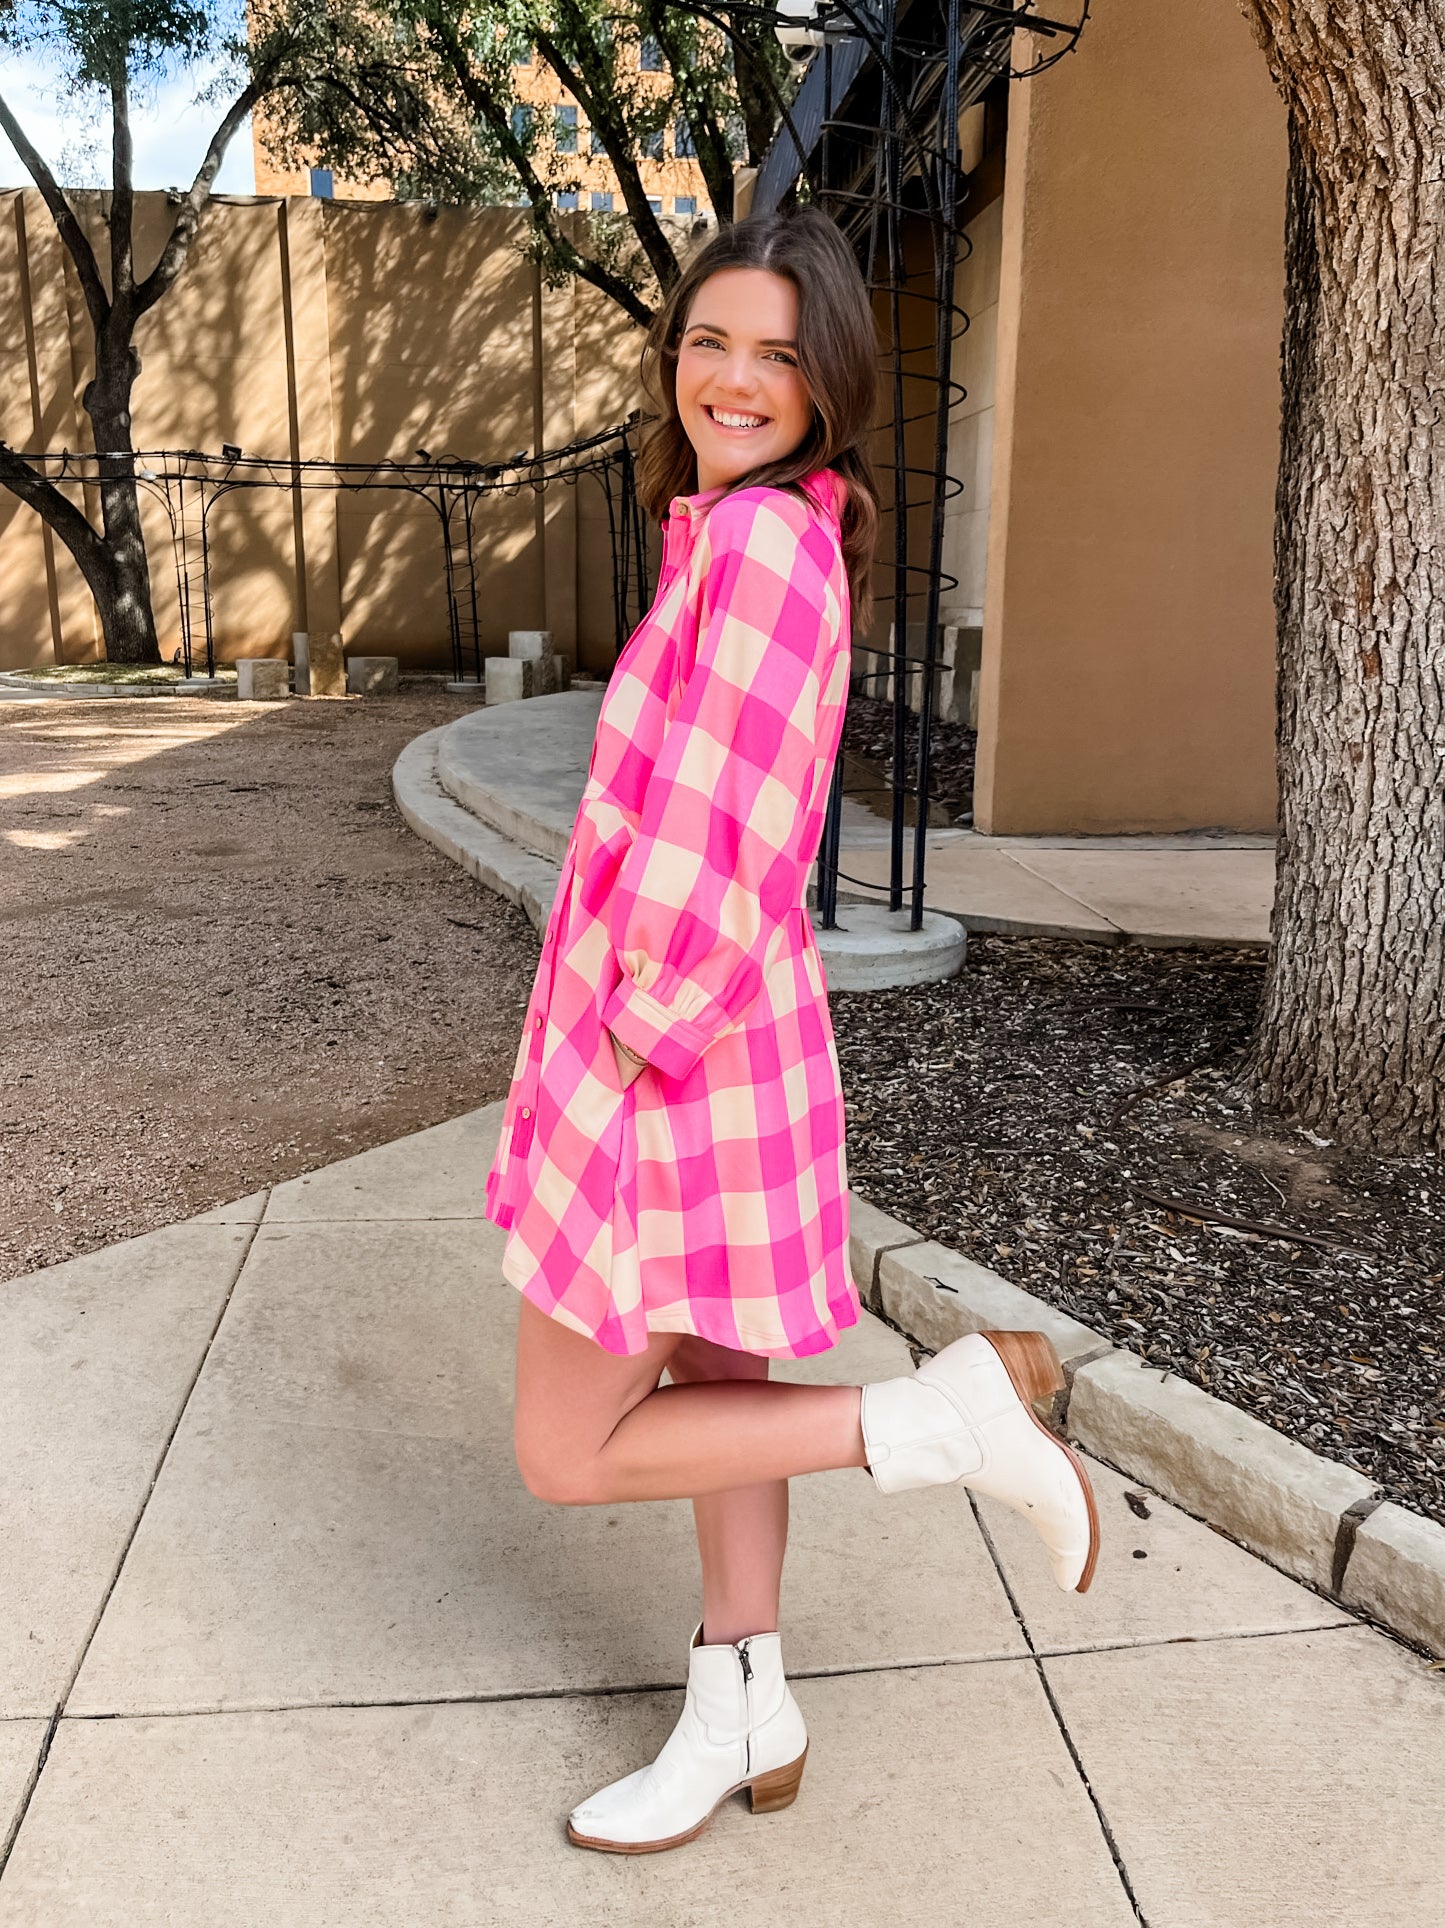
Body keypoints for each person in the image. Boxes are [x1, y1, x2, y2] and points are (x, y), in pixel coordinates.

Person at [484, 205, 1099, 1856]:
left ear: (827, 380)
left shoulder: (759, 549)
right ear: (673, 351)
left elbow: (726, 829)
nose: (734, 379)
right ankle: (741, 1704)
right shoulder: (762, 533)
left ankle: (930, 1419)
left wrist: (614, 1055)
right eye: (709, 341)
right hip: (710, 1044)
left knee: (566, 1446)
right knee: (710, 1371)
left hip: (664, 1052)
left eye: (776, 353)